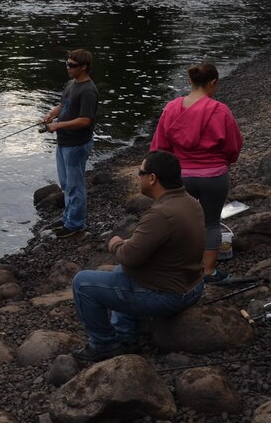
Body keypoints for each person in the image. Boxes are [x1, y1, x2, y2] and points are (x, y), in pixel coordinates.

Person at [70, 151, 205, 362]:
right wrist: (129, 247)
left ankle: (104, 344)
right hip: (193, 285)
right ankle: (125, 335)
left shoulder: (160, 214)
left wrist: (116, 244)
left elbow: (130, 257)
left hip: (170, 296)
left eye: (140, 172)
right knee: (120, 272)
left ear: (152, 178)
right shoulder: (189, 201)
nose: (138, 176)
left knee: (82, 284)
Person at [150, 62, 243, 284]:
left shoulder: (172, 108)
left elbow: (159, 146)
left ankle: (181, 268)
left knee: (182, 222)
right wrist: (226, 161)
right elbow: (233, 146)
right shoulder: (220, 111)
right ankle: (208, 272)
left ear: (190, 81)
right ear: (213, 83)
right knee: (210, 222)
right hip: (214, 176)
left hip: (181, 175)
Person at [41, 49, 98, 238]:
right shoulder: (71, 84)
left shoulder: (89, 90)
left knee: (75, 185)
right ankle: (68, 217)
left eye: (72, 65)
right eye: (67, 64)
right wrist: (51, 114)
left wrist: (57, 126)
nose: (68, 68)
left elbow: (85, 120)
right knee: (66, 183)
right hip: (64, 142)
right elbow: (63, 105)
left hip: (77, 144)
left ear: (84, 67)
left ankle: (76, 224)